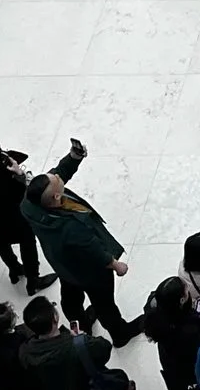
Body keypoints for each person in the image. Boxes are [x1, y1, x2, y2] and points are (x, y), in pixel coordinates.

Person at [21, 143, 136, 342]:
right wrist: (116, 265)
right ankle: (119, 334)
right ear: (57, 197)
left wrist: (73, 158)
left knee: (71, 298)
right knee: (104, 304)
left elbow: (57, 175)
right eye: (57, 180)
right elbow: (95, 251)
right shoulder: (70, 228)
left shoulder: (29, 204)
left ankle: (81, 325)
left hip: (63, 264)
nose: (57, 176)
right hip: (90, 271)